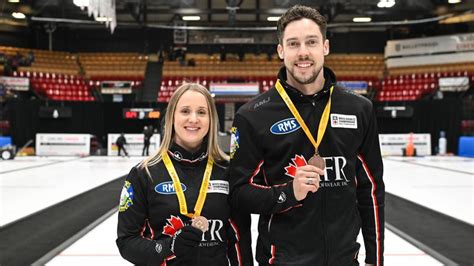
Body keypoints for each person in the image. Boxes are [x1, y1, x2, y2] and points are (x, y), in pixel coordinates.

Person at [228, 5, 384, 266]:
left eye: (311, 42)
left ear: (325, 47)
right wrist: (288, 193)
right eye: (293, 44)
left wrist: (375, 259)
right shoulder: (252, 115)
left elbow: (371, 189)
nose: (303, 52)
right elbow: (238, 193)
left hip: (345, 260)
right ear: (280, 51)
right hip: (281, 260)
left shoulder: (359, 109)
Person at [116, 83, 253, 266]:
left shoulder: (228, 170)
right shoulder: (144, 173)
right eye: (185, 111)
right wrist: (169, 247)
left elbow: (240, 240)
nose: (194, 119)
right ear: (172, 117)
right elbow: (127, 243)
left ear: (211, 120)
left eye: (202, 112)